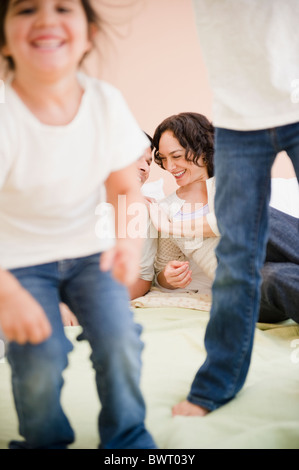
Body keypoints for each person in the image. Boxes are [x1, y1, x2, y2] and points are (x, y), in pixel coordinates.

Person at [0, 0, 156, 449]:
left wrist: (127, 243)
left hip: (90, 254)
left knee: (120, 340)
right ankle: (44, 440)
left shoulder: (104, 102)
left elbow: (126, 188)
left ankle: (127, 440)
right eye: (27, 9)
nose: (47, 18)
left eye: (63, 7)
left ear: (88, 34)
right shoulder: (6, 112)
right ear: (5, 36)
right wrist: (7, 292)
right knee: (39, 355)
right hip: (20, 262)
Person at [170, 0, 299, 417]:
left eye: (177, 156)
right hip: (239, 120)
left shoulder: (210, 181)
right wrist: (163, 275)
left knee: (260, 243)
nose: (169, 167)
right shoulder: (157, 201)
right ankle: (216, 385)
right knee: (247, 265)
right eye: (159, 159)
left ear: (197, 151)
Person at [151, 113, 220, 295]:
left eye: (176, 156)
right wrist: (168, 278)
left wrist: (170, 227)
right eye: (164, 158)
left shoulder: (230, 185)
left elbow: (233, 223)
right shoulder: (166, 208)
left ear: (203, 150)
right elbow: (160, 274)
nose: (170, 167)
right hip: (216, 290)